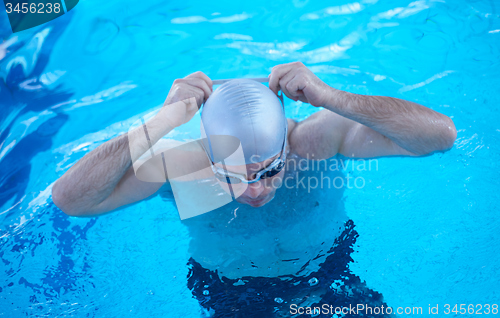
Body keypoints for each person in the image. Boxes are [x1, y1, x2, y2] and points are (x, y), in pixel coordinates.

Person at [52, 61, 456, 317]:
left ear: (285, 142)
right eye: (232, 176)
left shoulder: (315, 140)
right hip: (233, 294)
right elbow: (70, 200)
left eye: (270, 169)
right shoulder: (182, 162)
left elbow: (440, 136)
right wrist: (159, 122)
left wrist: (331, 98)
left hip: (330, 271)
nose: (256, 191)